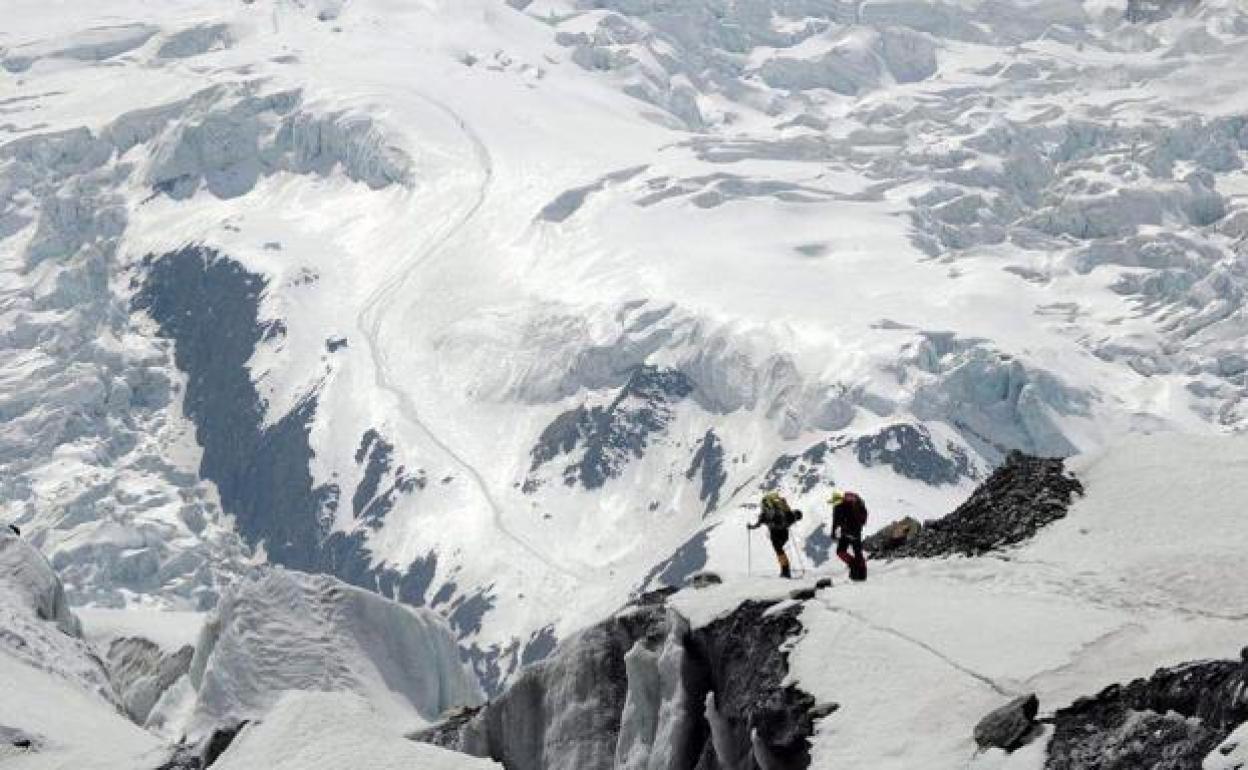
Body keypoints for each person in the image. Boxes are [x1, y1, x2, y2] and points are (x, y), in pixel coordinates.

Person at [749, 491, 801, 578]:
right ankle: (785, 571)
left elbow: (757, 524)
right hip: (784, 533)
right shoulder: (779, 511)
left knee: (779, 551)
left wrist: (751, 527)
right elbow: (789, 517)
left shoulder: (764, 515)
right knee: (780, 551)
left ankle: (785, 571)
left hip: (775, 534)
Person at [830, 489, 868, 581]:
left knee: (840, 551)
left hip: (846, 533)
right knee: (858, 553)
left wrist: (833, 533)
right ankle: (862, 574)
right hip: (857, 532)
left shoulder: (838, 507)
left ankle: (854, 567)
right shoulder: (853, 504)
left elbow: (836, 522)